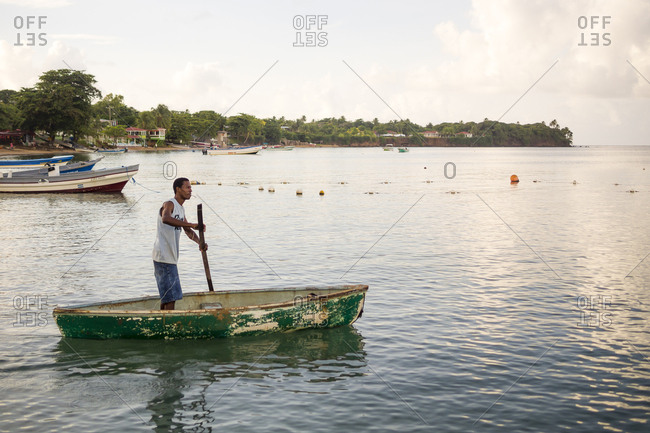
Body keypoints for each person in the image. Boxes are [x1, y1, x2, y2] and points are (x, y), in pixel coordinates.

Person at [153, 177, 207, 310]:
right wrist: (192, 224)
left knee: (167, 297)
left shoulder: (181, 210)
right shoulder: (169, 204)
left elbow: (188, 231)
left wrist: (200, 242)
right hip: (164, 257)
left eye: (190, 187)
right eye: (187, 187)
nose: (190, 190)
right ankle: (168, 327)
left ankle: (163, 322)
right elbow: (166, 218)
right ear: (178, 189)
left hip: (169, 258)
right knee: (171, 298)